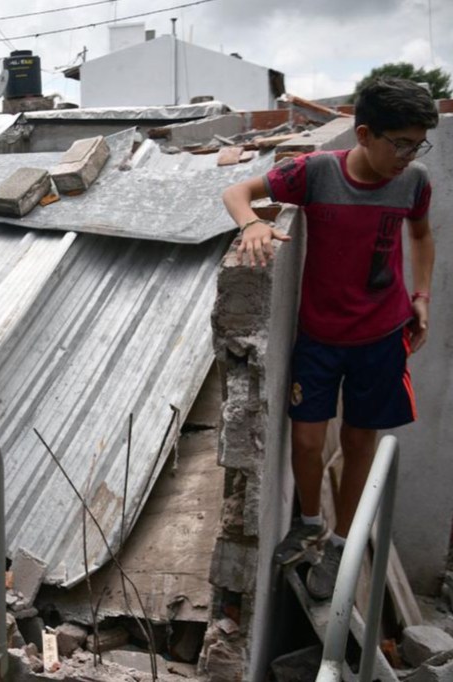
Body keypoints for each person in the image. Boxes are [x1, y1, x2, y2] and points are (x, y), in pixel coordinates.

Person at [221, 77, 437, 599]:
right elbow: (237, 190)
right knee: (309, 439)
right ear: (363, 133)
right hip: (320, 336)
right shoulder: (318, 172)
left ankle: (340, 542)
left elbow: (421, 234)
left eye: (417, 143)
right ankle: (311, 523)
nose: (408, 155)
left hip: (382, 336)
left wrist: (422, 296)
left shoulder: (414, 182)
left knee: (362, 440)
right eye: (400, 143)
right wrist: (251, 223)